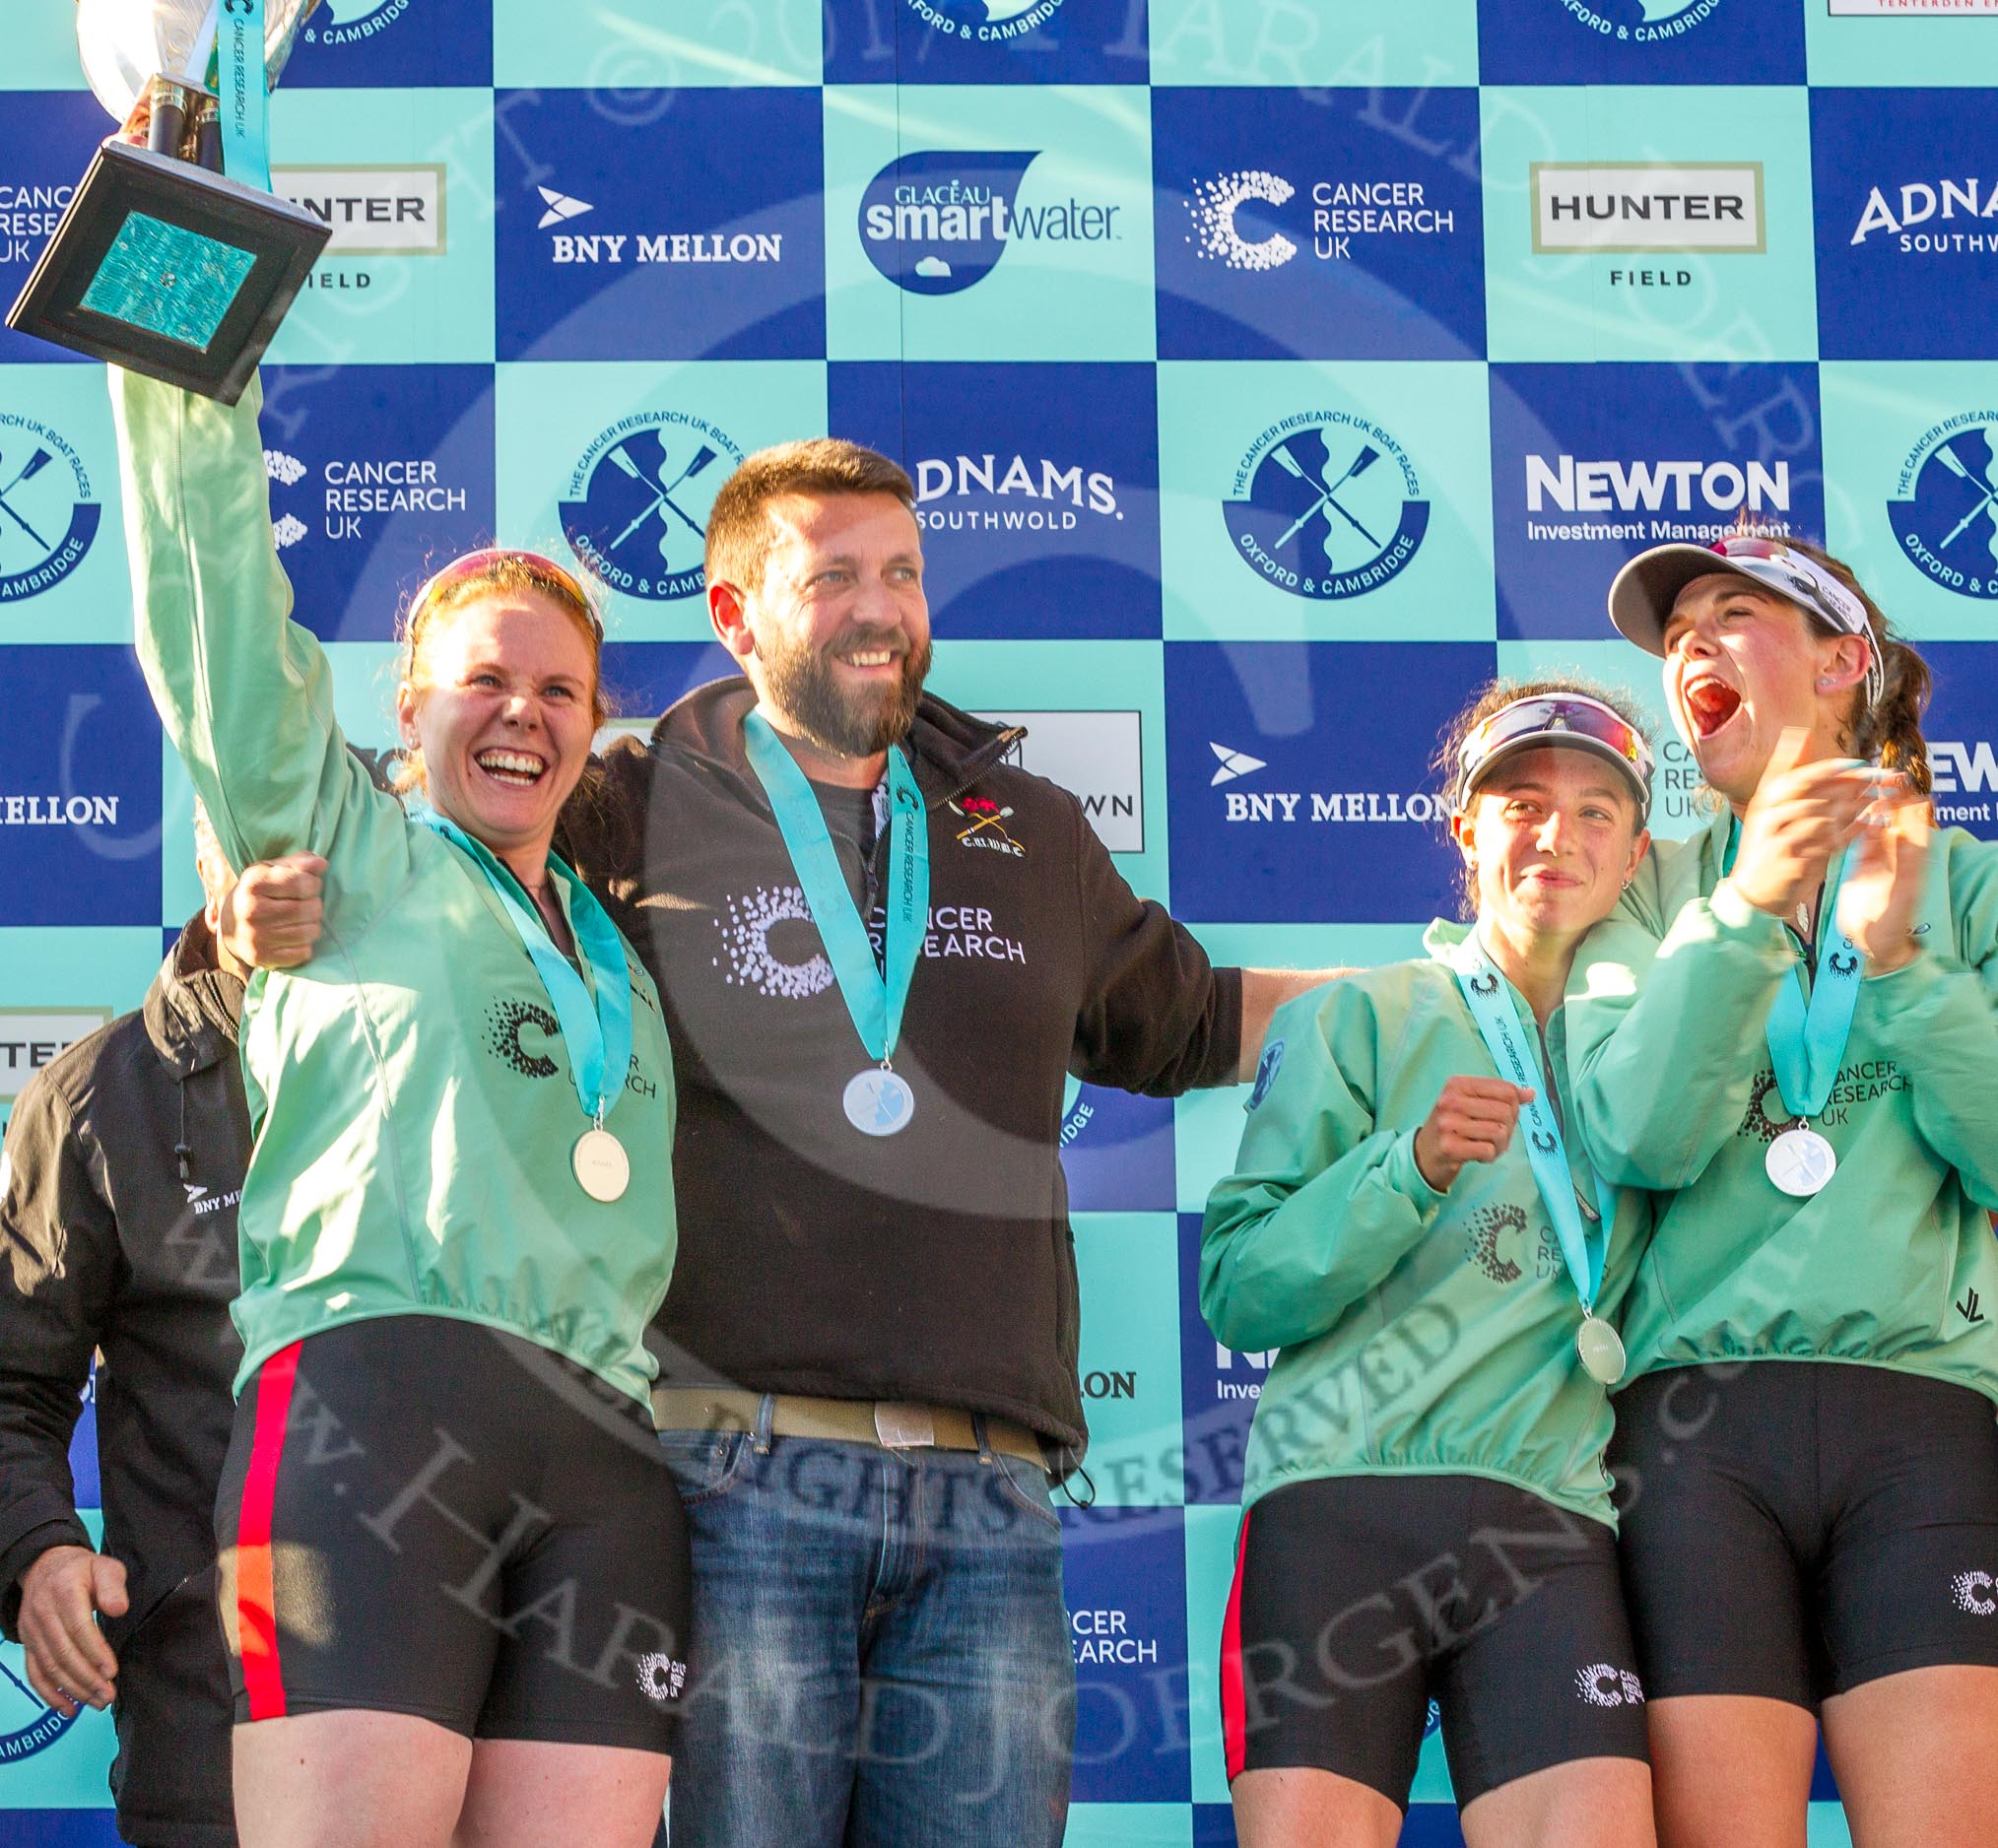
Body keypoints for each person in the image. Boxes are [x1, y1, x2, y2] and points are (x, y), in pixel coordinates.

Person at [225, 433, 1335, 1848]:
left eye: (905, 573)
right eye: (834, 578)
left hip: (990, 1492)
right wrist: (245, 916)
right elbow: (424, 906)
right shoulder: (615, 805)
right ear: (739, 615)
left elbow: (1192, 1021)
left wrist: (1458, 995)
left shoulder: (1030, 825)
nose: (882, 608)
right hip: (732, 1475)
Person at [107, 367, 688, 1848]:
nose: (521, 714)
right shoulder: (336, 848)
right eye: (485, 681)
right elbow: (214, 608)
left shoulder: (623, 942)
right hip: (371, 1412)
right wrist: (186, 368)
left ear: (596, 723)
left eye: (559, 690)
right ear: (410, 705)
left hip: (610, 1455)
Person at [1569, 533, 1998, 1848]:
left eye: (1732, 613)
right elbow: (1635, 1132)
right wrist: (1749, 910)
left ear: (1842, 661)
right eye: (1675, 631)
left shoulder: (1968, 881)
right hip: (1693, 1437)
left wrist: (1902, 964)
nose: (1689, 644)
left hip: (1925, 1417)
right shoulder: (1640, 886)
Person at [1202, 680, 1660, 1848]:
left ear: (1638, 851)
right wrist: (1404, 1169)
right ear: (1465, 827)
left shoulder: (1664, 1052)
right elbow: (1242, 1287)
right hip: (1340, 1506)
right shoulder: (1360, 1015)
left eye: (1596, 811)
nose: (1557, 835)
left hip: (1549, 1520)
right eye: (1520, 802)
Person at [0, 813, 248, 1847]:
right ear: (204, 856)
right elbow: (14, 1387)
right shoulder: (100, 1095)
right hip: (211, 1710)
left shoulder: (481, 1069)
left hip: (480, 1704)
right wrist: (39, 1553)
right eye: (256, 830)